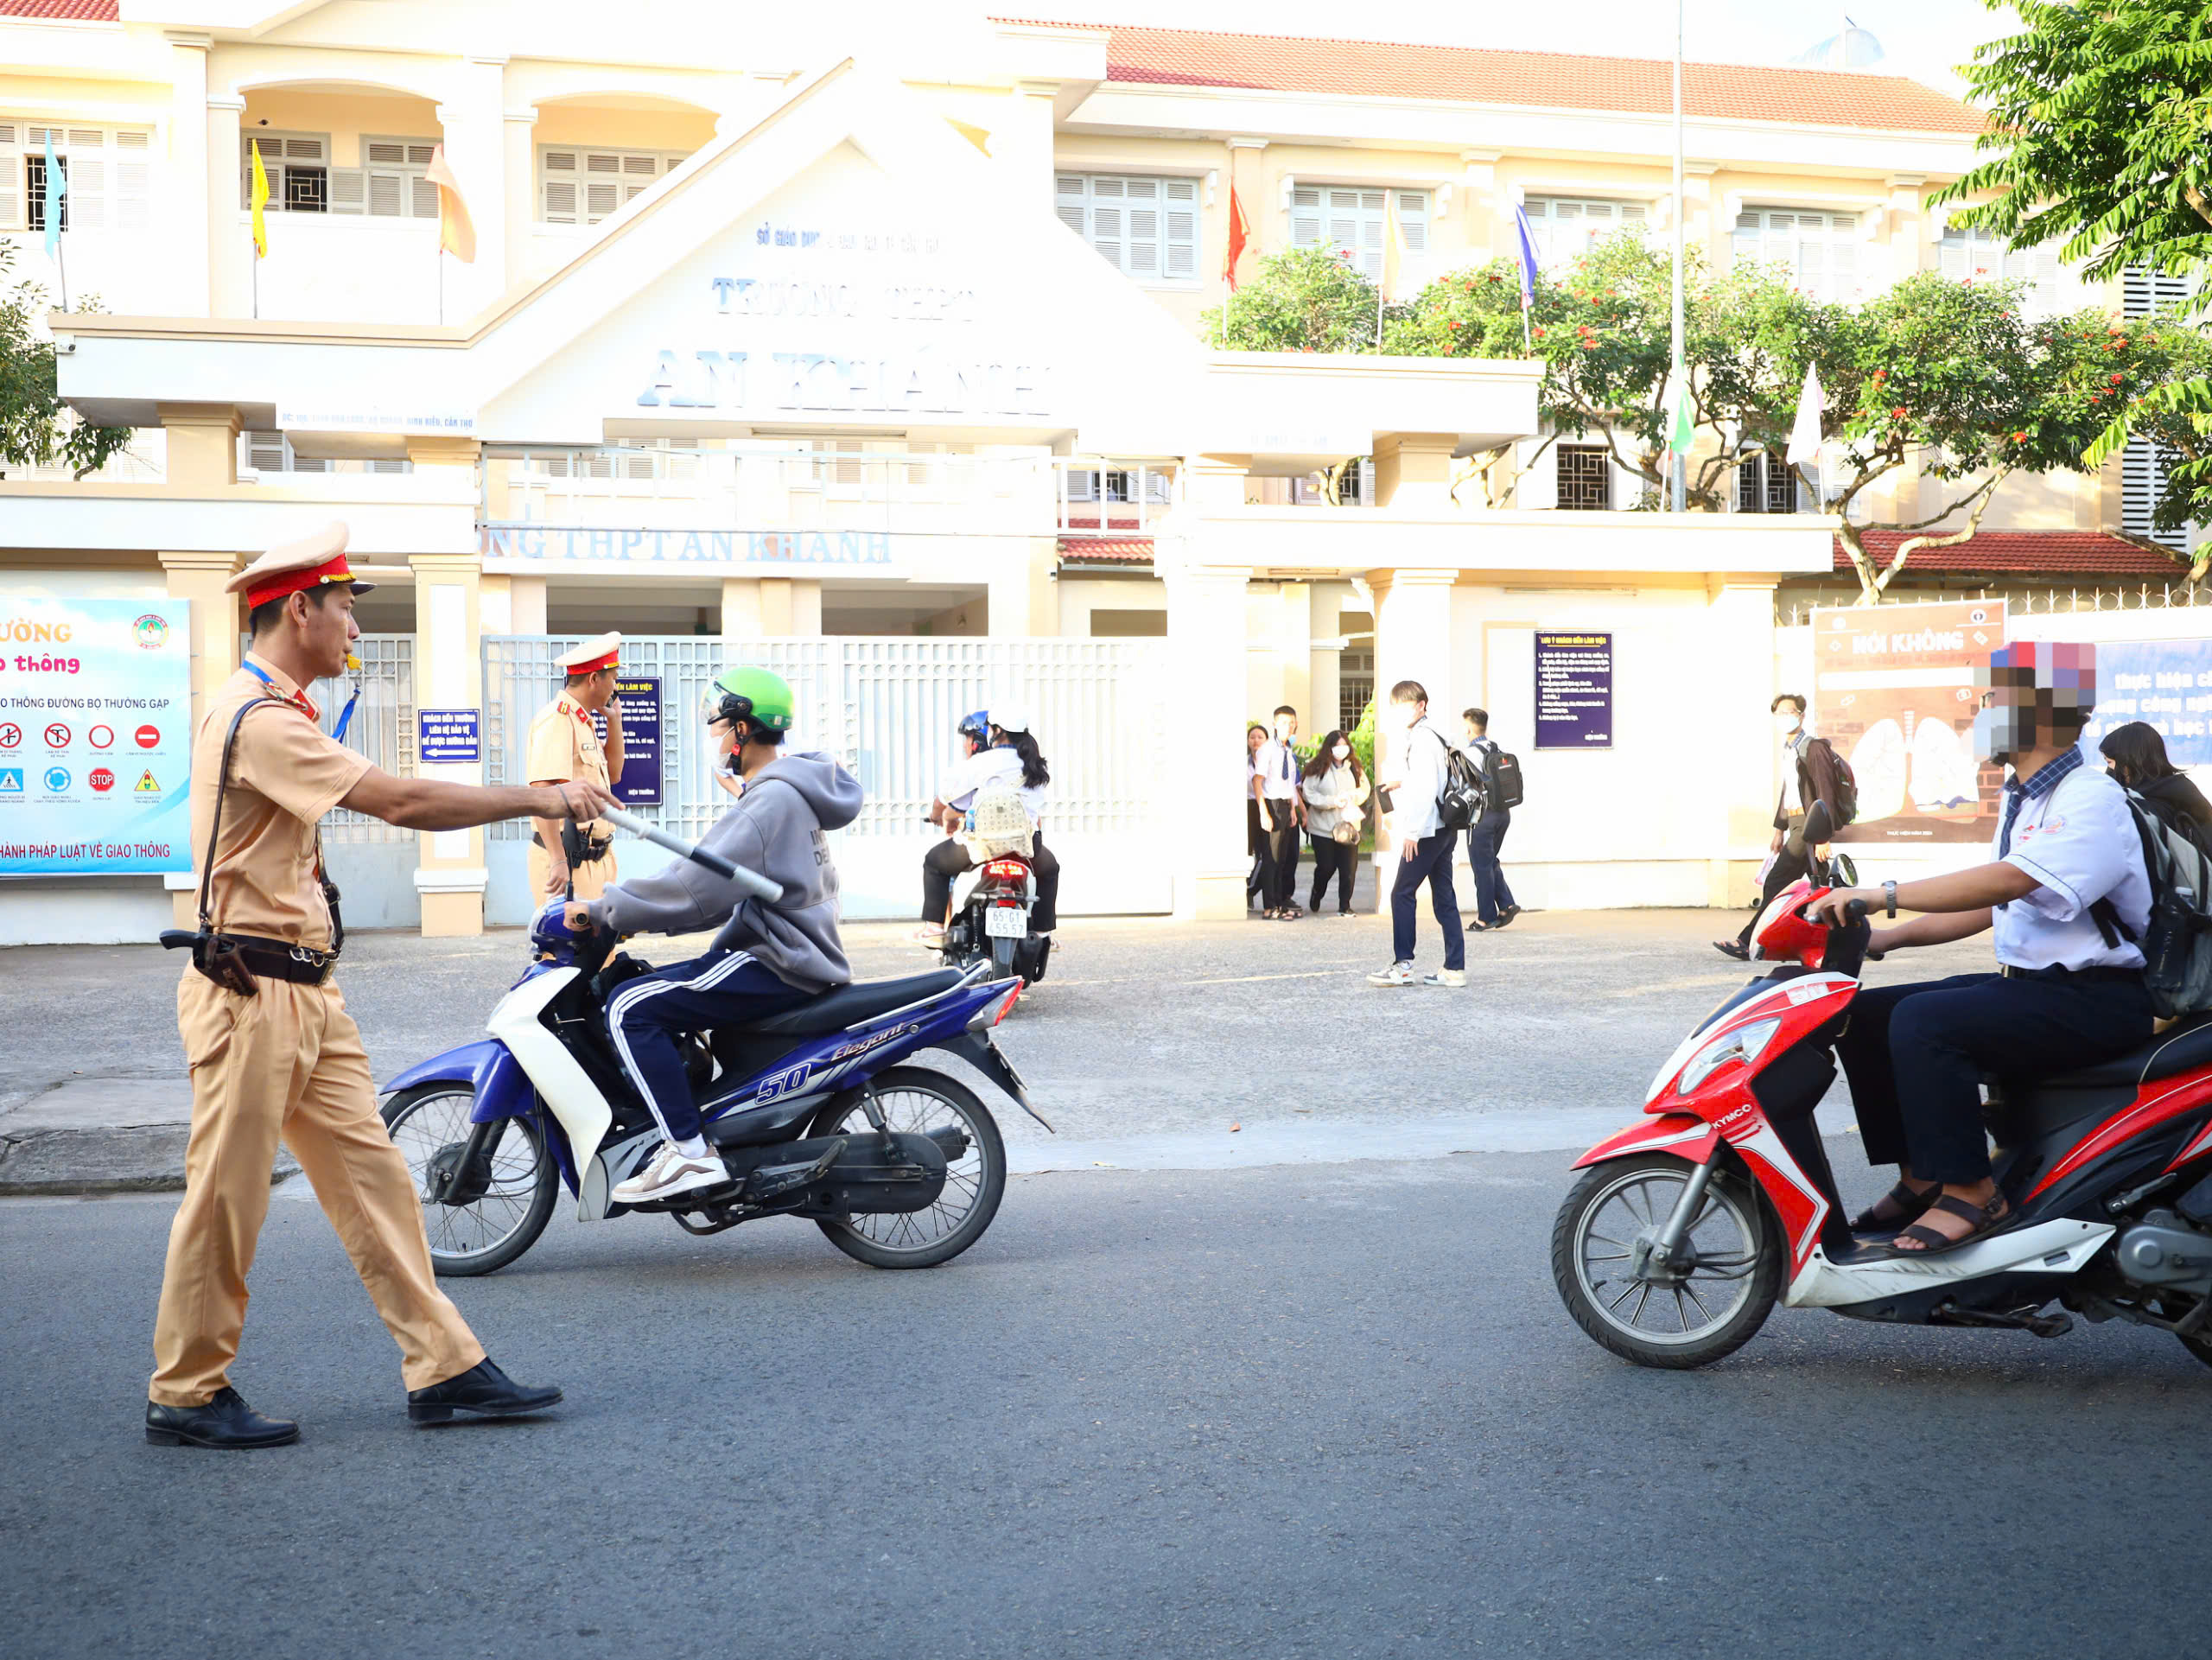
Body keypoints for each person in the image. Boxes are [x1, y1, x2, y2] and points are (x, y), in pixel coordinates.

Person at [148, 523, 605, 1450]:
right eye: (345, 602)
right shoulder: (261, 720)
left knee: (379, 1183)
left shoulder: (284, 712)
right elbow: (399, 802)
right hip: (250, 994)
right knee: (227, 1196)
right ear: (299, 608)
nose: (355, 620)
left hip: (305, 993)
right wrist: (541, 797)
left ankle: (444, 1366)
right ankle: (187, 1390)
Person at [1809, 641, 2152, 1256]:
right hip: (2036, 987)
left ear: (2040, 711)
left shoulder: (2087, 797)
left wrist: (1884, 893)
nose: (1980, 709)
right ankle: (1923, 1174)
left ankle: (1972, 1191)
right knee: (1865, 1013)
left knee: (1925, 1022)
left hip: (2099, 999)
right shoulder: (2028, 798)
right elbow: (1994, 902)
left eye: (1994, 697)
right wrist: (1885, 936)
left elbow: (2010, 881)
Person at [583, 665, 862, 1205]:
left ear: (741, 730)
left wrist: (607, 910)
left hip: (780, 959)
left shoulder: (771, 800)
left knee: (629, 1007)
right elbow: (721, 885)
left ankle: (689, 1151)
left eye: (716, 727)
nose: (712, 739)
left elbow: (697, 887)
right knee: (662, 992)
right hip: (790, 948)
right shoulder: (786, 789)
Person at [1717, 692, 1843, 960]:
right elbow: (1789, 792)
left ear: (1802, 715)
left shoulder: (1813, 747)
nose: (1785, 718)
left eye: (1791, 712)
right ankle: (1856, 939)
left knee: (1776, 882)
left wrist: (1823, 835)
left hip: (1810, 826)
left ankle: (1748, 941)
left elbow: (1825, 792)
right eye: (1780, 714)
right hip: (1797, 823)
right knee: (1826, 886)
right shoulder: (1790, 750)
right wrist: (1779, 830)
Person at [916, 708, 1059, 942]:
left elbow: (947, 800)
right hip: (1025, 846)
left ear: (997, 731)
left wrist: (935, 815)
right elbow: (1036, 808)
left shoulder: (980, 762)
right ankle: (1043, 933)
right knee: (1050, 870)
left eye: (991, 728)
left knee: (934, 863)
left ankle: (934, 927)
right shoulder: (1035, 764)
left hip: (981, 844)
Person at [1368, 680, 1466, 989]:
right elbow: (1431, 780)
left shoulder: (1423, 739)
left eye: (1406, 705)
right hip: (1444, 828)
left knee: (1401, 893)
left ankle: (1403, 965)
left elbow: (1426, 789)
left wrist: (1411, 833)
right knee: (1444, 898)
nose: (1400, 712)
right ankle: (1454, 969)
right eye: (1396, 706)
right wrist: (1401, 783)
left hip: (1426, 831)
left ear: (1422, 705)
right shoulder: (1433, 735)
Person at [526, 633, 626, 901]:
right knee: (568, 942)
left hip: (597, 859)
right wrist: (558, 861)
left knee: (602, 943)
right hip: (570, 862)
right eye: (613, 679)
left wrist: (615, 721)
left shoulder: (583, 721)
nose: (615, 686)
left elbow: (614, 774)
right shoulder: (558, 719)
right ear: (594, 679)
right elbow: (543, 792)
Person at [1459, 708, 1520, 931]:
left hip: (1481, 816)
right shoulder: (1495, 749)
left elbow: (1464, 787)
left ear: (1468, 727)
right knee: (1489, 860)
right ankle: (1507, 904)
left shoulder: (1469, 753)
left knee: (1481, 866)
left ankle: (1486, 917)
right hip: (1503, 814)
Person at [1300, 731, 1370, 916]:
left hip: (1349, 827)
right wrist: (1332, 801)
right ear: (1329, 748)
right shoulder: (1318, 768)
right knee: (1326, 866)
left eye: (1344, 744)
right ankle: (1317, 892)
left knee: (1349, 868)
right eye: (1337, 745)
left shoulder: (1354, 767)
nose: (1342, 749)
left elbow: (1365, 789)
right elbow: (1309, 793)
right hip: (1323, 828)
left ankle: (1344, 905)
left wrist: (1354, 797)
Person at [2100, 720, 2212, 830]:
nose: (2109, 771)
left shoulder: (2147, 808)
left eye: (2109, 762)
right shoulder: (2181, 789)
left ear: (2129, 762)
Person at [1252, 704, 1305, 919]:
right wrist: (1263, 812)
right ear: (1275, 724)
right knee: (1271, 858)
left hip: (1285, 804)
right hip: (1271, 804)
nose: (1288, 727)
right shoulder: (1267, 749)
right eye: (1284, 723)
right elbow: (1257, 781)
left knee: (1283, 858)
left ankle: (1280, 903)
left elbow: (1290, 783)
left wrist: (1292, 808)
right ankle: (1269, 906)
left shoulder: (1287, 750)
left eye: (1292, 723)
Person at [1245, 723, 1268, 910]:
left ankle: (1250, 889)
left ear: (1267, 740)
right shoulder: (1243, 763)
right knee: (1246, 851)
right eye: (1252, 737)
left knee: (1266, 854)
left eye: (1260, 737)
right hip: (1247, 807)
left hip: (1266, 805)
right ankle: (1245, 891)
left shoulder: (1271, 761)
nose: (1256, 740)